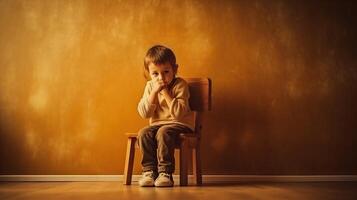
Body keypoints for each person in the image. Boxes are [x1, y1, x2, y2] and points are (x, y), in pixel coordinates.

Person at [137, 45, 194, 187]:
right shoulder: (150, 87)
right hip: (157, 125)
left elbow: (179, 114)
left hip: (180, 124)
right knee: (143, 133)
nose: (161, 78)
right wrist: (154, 93)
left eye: (166, 72)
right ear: (149, 74)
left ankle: (165, 173)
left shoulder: (180, 85)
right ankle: (149, 171)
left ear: (175, 69)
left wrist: (165, 93)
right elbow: (145, 113)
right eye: (155, 74)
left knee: (164, 132)